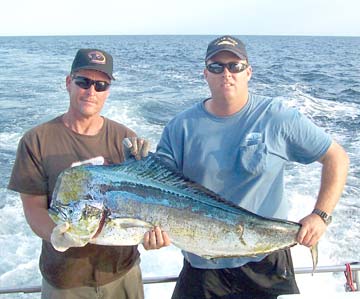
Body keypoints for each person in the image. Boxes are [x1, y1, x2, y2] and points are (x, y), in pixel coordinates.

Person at [156, 35, 349, 299]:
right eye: (216, 66)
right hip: (203, 265)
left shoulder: (276, 117)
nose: (226, 73)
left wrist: (321, 215)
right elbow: (157, 190)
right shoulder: (179, 127)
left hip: (266, 263)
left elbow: (336, 157)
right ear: (205, 74)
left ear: (249, 72)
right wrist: (150, 231)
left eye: (234, 66)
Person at [8, 48, 169, 299]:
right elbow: (33, 207)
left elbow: (147, 207)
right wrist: (55, 234)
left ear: (107, 91)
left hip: (123, 274)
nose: (91, 91)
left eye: (101, 85)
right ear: (68, 83)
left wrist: (152, 236)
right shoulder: (35, 140)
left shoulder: (126, 140)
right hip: (65, 281)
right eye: (83, 82)